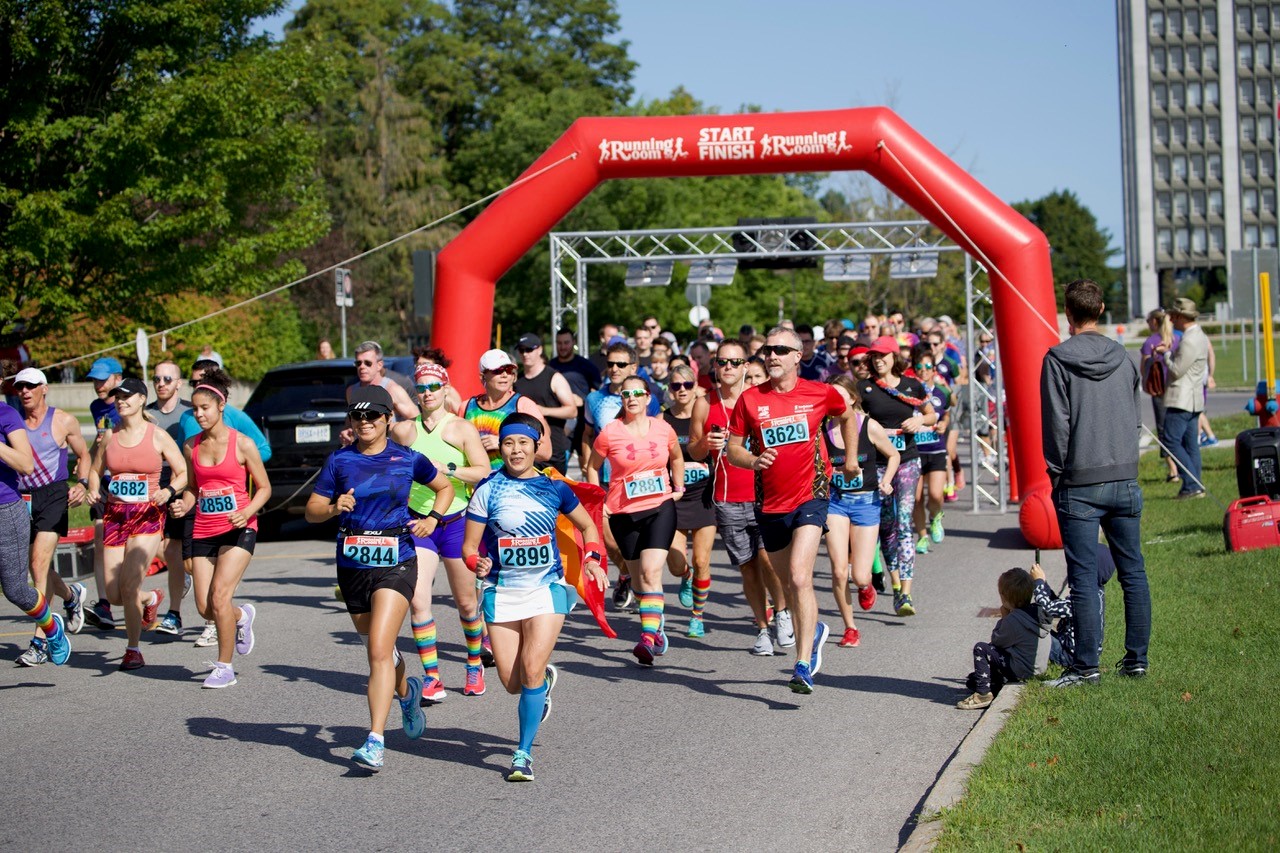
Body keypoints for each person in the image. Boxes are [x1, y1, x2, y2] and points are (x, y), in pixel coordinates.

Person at [304, 385, 450, 769]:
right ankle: (407, 692)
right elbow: (312, 510)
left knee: (378, 652)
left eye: (372, 416)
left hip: (397, 560)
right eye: (358, 416)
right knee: (382, 651)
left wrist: (432, 519)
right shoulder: (339, 461)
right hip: (353, 566)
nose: (364, 422)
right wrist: (335, 507)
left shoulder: (407, 459)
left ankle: (374, 740)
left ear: (388, 419)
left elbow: (445, 487)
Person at [463, 412, 608, 782]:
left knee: (528, 669)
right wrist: (476, 563)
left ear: (536, 446)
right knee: (512, 682)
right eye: (509, 442)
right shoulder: (487, 489)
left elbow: (589, 525)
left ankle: (522, 754)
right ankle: (542, 684)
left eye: (523, 443)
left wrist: (591, 558)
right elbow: (469, 548)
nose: (515, 450)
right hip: (503, 591)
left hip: (546, 590)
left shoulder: (554, 488)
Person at [726, 326, 860, 694]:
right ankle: (813, 627)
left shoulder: (820, 393)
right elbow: (732, 449)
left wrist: (848, 459)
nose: (771, 356)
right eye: (767, 350)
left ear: (797, 356)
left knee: (801, 577)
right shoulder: (750, 399)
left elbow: (847, 415)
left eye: (781, 350)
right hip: (769, 503)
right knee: (786, 582)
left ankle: (802, 663)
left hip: (811, 495)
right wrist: (754, 461)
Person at [1041, 278, 1150, 687]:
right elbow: (1135, 417)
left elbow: (1057, 425)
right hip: (1124, 476)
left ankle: (1086, 666)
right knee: (1133, 571)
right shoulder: (1124, 356)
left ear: (1067, 314)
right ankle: (1137, 659)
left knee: (1084, 577)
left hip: (1079, 482)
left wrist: (1057, 474)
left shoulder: (1056, 358)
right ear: (1101, 309)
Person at [389, 362, 491, 703]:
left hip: (456, 522)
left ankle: (474, 663)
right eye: (422, 387)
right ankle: (432, 676)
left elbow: (483, 471)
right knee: (419, 601)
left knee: (465, 603)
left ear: (446, 389)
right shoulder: (404, 432)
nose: (428, 393)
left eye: (434, 386)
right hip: (419, 523)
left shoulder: (461, 428)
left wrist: (448, 469)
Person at [168, 368, 271, 688]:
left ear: (221, 406)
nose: (198, 414)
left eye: (205, 408)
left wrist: (248, 511)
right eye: (195, 409)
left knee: (219, 597)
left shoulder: (242, 444)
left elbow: (265, 488)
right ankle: (242, 617)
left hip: (240, 528)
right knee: (204, 607)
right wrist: (184, 503)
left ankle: (224, 667)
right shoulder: (191, 447)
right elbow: (194, 489)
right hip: (203, 528)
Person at [689, 341, 791, 656]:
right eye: (723, 362)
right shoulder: (704, 402)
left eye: (735, 361)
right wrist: (706, 443)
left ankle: (783, 614)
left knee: (768, 560)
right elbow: (692, 449)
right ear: (715, 366)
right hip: (726, 496)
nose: (729, 367)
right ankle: (762, 629)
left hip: (764, 495)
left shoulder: (761, 400)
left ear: (746, 365)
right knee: (747, 567)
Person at [87, 378, 188, 670]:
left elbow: (182, 472)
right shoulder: (109, 436)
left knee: (129, 585)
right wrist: (93, 488)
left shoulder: (157, 436)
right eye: (118, 396)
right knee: (116, 594)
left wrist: (168, 491)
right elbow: (95, 471)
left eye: (127, 396)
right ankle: (150, 598)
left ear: (142, 400)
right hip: (115, 515)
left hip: (148, 514)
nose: (121, 401)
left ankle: (133, 650)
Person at [586, 375, 683, 666]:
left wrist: (678, 489)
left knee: (652, 573)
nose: (632, 398)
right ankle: (656, 622)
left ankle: (647, 639)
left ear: (648, 397)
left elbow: (676, 457)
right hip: (623, 514)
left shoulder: (663, 428)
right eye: (626, 393)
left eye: (637, 393)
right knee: (641, 582)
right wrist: (599, 501)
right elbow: (592, 467)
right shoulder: (610, 433)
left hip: (659, 507)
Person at [13, 369, 90, 665]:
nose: (25, 391)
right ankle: (71, 596)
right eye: (20, 386)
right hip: (20, 498)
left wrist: (82, 484)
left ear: (44, 388)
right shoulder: (12, 422)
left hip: (54, 494)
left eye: (31, 386)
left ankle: (40, 640)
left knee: (38, 564)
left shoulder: (63, 420)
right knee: (34, 569)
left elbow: (83, 455)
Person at [858, 336, 937, 617]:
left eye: (883, 355)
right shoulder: (864, 388)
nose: (878, 360)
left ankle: (907, 592)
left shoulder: (911, 385)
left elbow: (932, 414)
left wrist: (919, 420)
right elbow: (851, 421)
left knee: (904, 523)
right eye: (874, 356)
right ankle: (894, 584)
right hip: (877, 464)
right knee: (886, 527)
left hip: (906, 461)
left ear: (894, 356)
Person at [821, 375, 899, 648]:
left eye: (841, 397)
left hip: (866, 503)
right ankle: (850, 627)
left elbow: (893, 455)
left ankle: (866, 586)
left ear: (853, 398)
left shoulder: (868, 425)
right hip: (835, 502)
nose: (836, 402)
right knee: (839, 570)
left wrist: (887, 480)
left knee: (860, 576)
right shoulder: (823, 428)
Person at [582, 341, 660, 610]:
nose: (614, 368)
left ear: (634, 367)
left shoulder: (647, 396)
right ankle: (628, 573)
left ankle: (637, 580)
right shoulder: (594, 399)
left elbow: (658, 434)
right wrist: (586, 462)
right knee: (606, 535)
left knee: (634, 540)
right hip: (605, 477)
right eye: (610, 363)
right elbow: (588, 435)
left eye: (621, 364)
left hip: (638, 480)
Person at [0, 400, 72, 666]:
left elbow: (25, 464)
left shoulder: (6, 415)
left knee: (16, 591)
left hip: (5, 509)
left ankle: (51, 628)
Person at [661, 364, 717, 637]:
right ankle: (685, 578)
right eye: (675, 386)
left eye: (686, 385)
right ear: (669, 390)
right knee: (675, 563)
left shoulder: (704, 414)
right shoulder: (662, 420)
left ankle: (697, 616)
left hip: (703, 496)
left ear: (695, 386)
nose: (681, 390)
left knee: (702, 559)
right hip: (674, 497)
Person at [146, 360, 194, 637]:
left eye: (167, 378)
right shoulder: (146, 413)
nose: (161, 383)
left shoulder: (189, 412)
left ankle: (174, 613)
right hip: (152, 482)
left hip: (183, 479)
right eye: (157, 379)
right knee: (151, 545)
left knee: (176, 549)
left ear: (179, 383)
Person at [955, 568, 1049, 709]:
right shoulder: (1038, 612)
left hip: (1023, 669)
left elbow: (997, 641)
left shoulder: (1013, 620)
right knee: (975, 676)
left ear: (1004, 597)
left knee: (982, 648)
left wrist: (1004, 617)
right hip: (1038, 667)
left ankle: (983, 694)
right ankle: (993, 683)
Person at [83, 356, 123, 630]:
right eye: (95, 379)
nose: (98, 384)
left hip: (127, 480)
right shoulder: (96, 407)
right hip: (104, 480)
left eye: (103, 379)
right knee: (100, 537)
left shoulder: (127, 404)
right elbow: (98, 443)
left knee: (136, 544)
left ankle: (178, 570)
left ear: (117, 378)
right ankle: (104, 604)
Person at [1030, 545, 1115, 672]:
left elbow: (1048, 608)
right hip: (1080, 653)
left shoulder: (1084, 600)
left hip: (1068, 656)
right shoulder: (1095, 594)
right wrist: (1044, 583)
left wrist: (1038, 583)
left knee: (1029, 627)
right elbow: (1058, 605)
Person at [465, 349, 553, 469]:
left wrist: (503, 443)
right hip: (475, 485)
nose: (505, 375)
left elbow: (546, 451)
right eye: (498, 370)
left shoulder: (524, 405)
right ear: (482, 377)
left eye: (509, 370)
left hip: (512, 484)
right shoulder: (467, 407)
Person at [1157, 297, 1209, 499]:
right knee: (1190, 444)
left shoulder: (1189, 340)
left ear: (1181, 316)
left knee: (1170, 441)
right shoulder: (1200, 335)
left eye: (1173, 316)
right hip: (1194, 399)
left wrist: (1166, 355)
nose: (1170, 319)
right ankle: (1195, 485)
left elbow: (1177, 370)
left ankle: (1192, 485)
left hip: (1182, 399)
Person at [515, 333, 577, 475]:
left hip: (553, 450)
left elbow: (572, 411)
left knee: (555, 496)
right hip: (528, 452)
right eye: (521, 350)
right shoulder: (518, 381)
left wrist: (543, 411)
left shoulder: (554, 377)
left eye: (529, 349)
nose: (525, 354)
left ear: (540, 350)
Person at [910, 345, 951, 554]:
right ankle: (922, 536)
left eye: (928, 366)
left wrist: (944, 423)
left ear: (934, 369)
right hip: (915, 450)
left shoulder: (941, 391)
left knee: (935, 494)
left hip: (935, 449)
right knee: (916, 498)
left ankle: (936, 516)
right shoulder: (908, 393)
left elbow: (947, 413)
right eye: (919, 367)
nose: (924, 370)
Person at [547, 328, 602, 470]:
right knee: (557, 472)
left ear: (574, 343)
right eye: (559, 343)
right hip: (560, 427)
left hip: (583, 426)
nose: (563, 346)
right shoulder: (549, 367)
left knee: (587, 468)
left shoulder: (586, 366)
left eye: (566, 342)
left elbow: (599, 395)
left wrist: (583, 400)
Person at [1139, 309, 1180, 483]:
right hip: (1177, 389)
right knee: (1178, 428)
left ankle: (1173, 470)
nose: (1147, 324)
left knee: (1163, 429)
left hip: (1159, 391)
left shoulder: (1150, 343)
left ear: (1155, 322)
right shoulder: (1177, 339)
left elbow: (1143, 370)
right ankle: (1182, 465)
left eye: (1148, 320)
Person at [348, 341, 418, 421]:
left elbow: (416, 420)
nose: (362, 367)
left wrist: (393, 428)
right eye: (358, 363)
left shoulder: (392, 390)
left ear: (379, 365)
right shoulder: (351, 391)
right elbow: (349, 421)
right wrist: (347, 430)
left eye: (368, 363)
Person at [412, 346, 464, 414]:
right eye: (418, 365)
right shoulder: (415, 388)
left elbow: (461, 414)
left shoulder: (449, 391)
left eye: (425, 364)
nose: (421, 368)